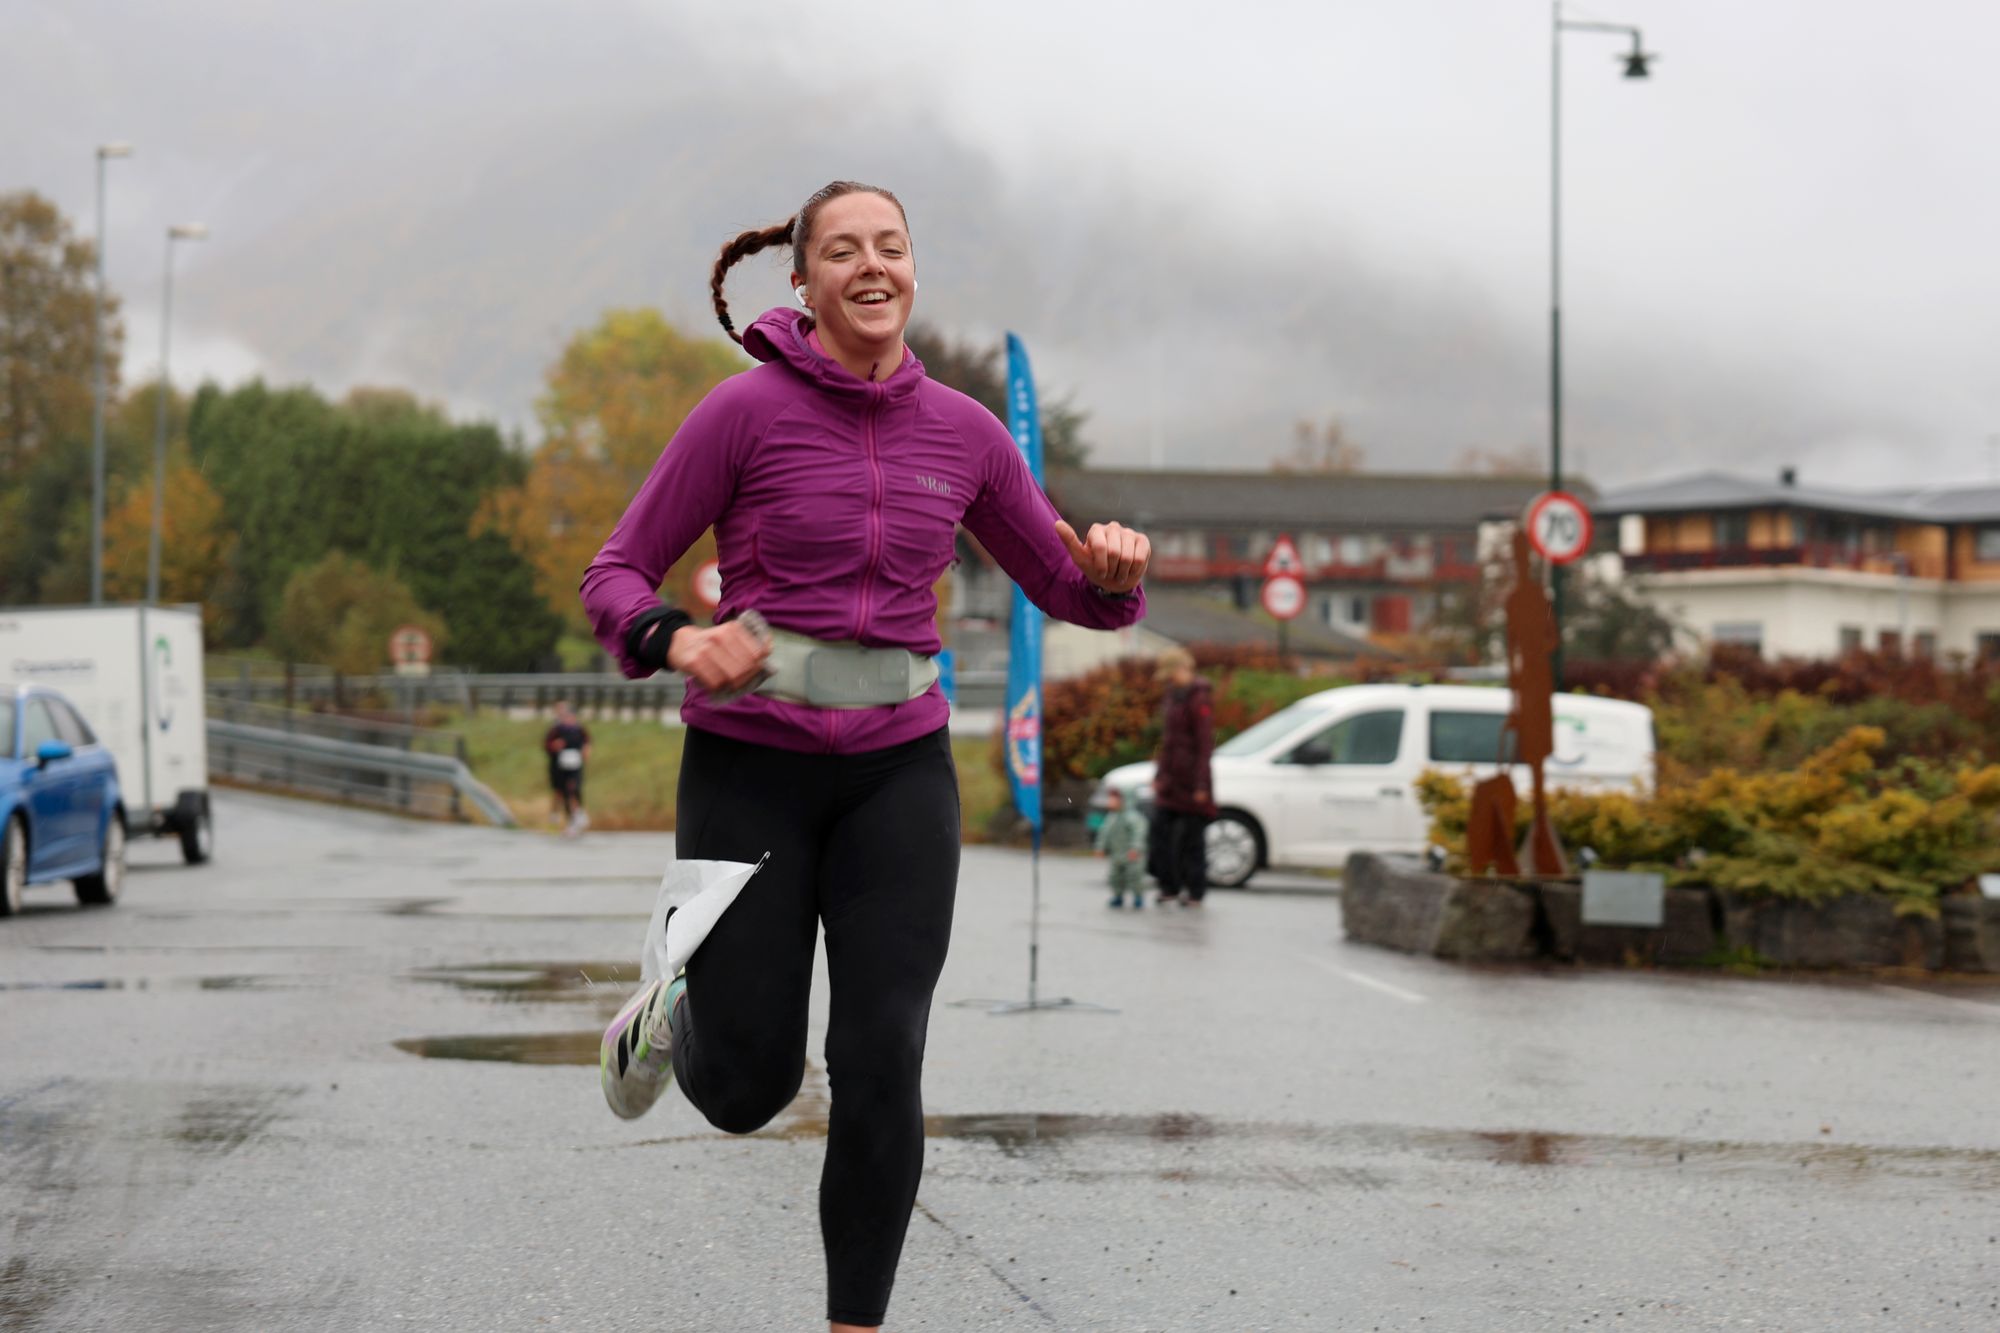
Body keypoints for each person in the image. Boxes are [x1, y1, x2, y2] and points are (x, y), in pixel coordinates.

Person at [579, 180, 1150, 1333]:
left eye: (889, 246)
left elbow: (1062, 589)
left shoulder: (967, 435)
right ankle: (666, 1015)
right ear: (802, 281)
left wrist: (1113, 573)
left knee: (883, 1053)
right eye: (842, 251)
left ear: (912, 273)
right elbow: (615, 572)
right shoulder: (740, 414)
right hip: (750, 764)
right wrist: (679, 638)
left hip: (900, 767)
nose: (870, 266)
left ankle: (856, 1326)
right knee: (750, 1090)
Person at [1150, 646, 1215, 907]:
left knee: (1192, 838)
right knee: (1159, 832)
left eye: (1170, 674)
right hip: (1171, 779)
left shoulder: (1199, 698)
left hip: (1192, 781)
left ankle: (1195, 891)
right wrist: (1159, 773)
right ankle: (1169, 886)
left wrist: (1201, 784)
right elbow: (1168, 740)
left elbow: (1204, 744)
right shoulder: (1172, 696)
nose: (1167, 679)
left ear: (1182, 669)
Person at [1094, 785, 1148, 909]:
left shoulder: (1133, 817)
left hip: (1131, 853)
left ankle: (1138, 896)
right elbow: (1104, 833)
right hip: (1117, 853)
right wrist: (1100, 847)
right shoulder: (1111, 817)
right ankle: (1118, 895)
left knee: (1134, 876)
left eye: (1114, 799)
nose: (1111, 802)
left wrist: (1136, 848)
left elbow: (1139, 833)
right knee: (1115, 876)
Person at [543, 700, 591, 835]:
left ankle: (579, 813)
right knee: (561, 792)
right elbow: (547, 745)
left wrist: (586, 752)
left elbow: (587, 743)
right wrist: (555, 746)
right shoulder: (556, 730)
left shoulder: (579, 729)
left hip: (575, 765)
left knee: (574, 789)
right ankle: (561, 817)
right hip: (559, 766)